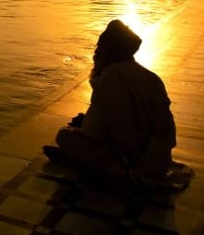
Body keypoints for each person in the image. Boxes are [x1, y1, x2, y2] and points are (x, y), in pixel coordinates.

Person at [43, 19, 185, 189]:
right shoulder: (152, 77)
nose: (96, 53)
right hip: (159, 162)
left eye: (99, 49)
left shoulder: (108, 80)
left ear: (108, 52)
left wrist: (82, 127)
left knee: (64, 135)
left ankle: (94, 166)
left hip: (130, 167)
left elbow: (94, 133)